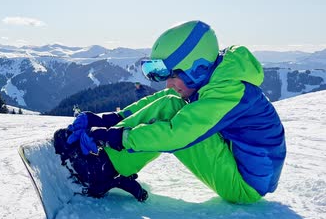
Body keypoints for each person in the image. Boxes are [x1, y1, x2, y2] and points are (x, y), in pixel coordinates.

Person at [64, 20, 286, 204]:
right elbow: (163, 99)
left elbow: (177, 134)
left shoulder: (229, 91)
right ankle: (106, 156)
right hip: (240, 162)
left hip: (244, 185)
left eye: (173, 76)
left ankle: (102, 168)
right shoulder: (218, 77)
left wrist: (118, 137)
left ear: (197, 69)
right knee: (171, 101)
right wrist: (110, 120)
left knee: (172, 112)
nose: (168, 84)